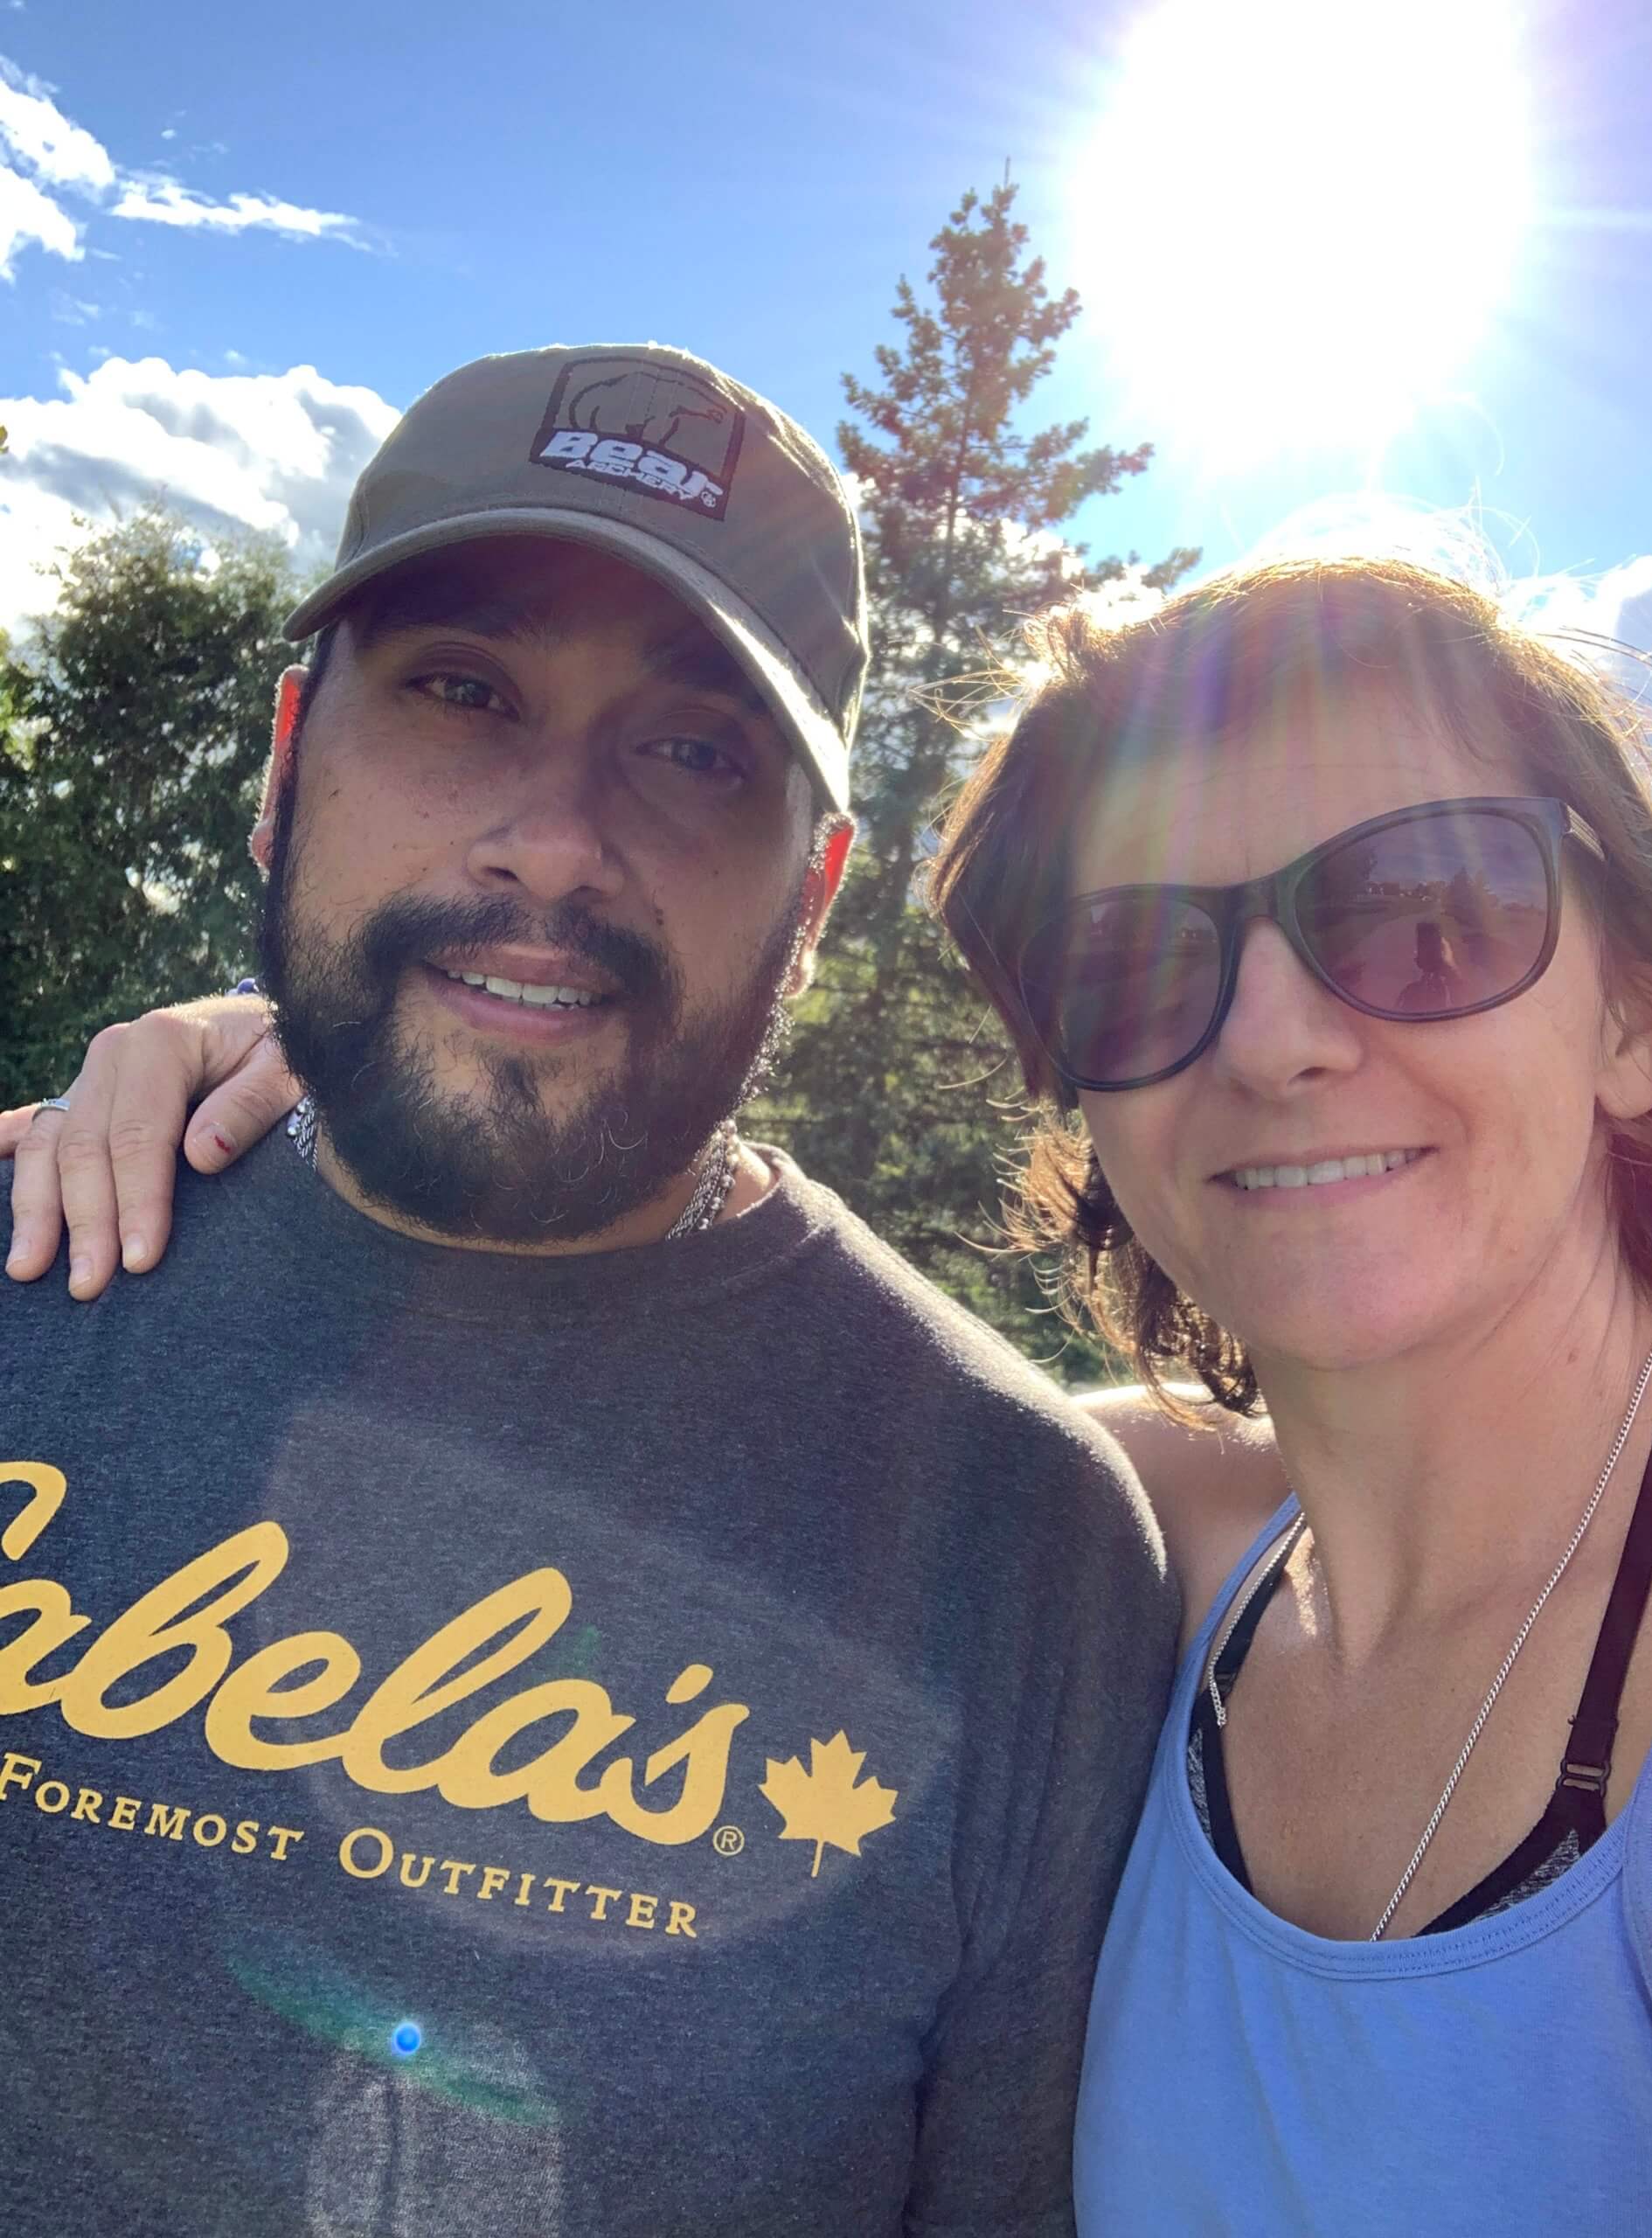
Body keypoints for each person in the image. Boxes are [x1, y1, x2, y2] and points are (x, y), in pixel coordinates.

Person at [0, 341, 1177, 2236]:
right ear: (292, 762)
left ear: (814, 893)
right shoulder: (31, 1288)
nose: (555, 837)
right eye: (465, 693)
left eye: (697, 749)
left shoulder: (1012, 1538)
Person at [930, 557, 1652, 2230]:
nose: (1270, 1039)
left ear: (1637, 1013)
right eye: (1132, 964)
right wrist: (299, 1108)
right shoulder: (1157, 1537)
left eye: (1425, 917)